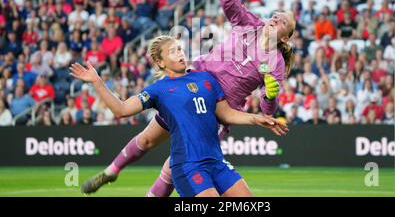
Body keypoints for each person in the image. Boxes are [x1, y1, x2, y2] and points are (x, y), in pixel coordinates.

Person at [80, 0, 295, 196]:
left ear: (285, 38)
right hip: (192, 85)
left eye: (283, 21)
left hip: (219, 106)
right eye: (275, 15)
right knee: (148, 139)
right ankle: (112, 170)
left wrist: (270, 97)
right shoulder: (250, 24)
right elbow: (229, 2)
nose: (276, 18)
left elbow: (268, 108)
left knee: (180, 162)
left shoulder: (275, 62)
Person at [70, 36, 287, 197]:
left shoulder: (206, 79)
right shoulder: (158, 90)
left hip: (216, 162)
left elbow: (226, 114)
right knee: (146, 139)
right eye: (174, 51)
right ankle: (114, 170)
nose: (181, 54)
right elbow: (121, 110)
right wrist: (97, 82)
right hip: (188, 166)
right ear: (160, 62)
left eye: (181, 49)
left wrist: (256, 118)